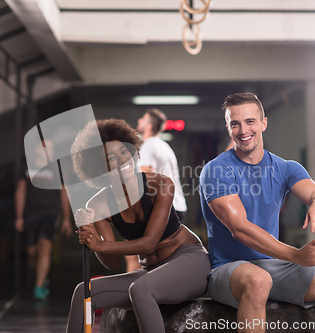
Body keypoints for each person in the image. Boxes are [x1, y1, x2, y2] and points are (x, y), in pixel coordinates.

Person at [199, 93, 315, 332]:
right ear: (228, 128)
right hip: (229, 269)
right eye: (235, 123)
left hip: (273, 267)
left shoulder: (285, 168)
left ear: (263, 123)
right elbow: (239, 229)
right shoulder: (216, 170)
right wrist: (296, 256)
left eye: (250, 121)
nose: (243, 130)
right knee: (258, 281)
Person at [66, 119, 210, 333]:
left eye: (125, 151)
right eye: (111, 157)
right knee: (83, 292)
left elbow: (149, 244)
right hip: (151, 272)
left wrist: (99, 245)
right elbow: (112, 263)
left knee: (141, 289)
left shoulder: (160, 185)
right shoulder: (98, 204)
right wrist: (91, 234)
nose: (122, 159)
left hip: (189, 261)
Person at [15, 139, 72, 300]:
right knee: (33, 253)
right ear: (37, 150)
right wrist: (19, 216)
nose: (50, 150)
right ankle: (41, 278)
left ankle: (38, 286)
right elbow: (20, 192)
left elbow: (64, 193)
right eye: (46, 147)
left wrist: (66, 218)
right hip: (30, 215)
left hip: (50, 214)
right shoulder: (26, 169)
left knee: (45, 248)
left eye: (52, 148)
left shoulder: (57, 170)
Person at [132, 109, 188, 272]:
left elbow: (146, 177)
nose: (139, 119)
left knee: (143, 258)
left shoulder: (148, 146)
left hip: (163, 209)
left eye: (142, 118)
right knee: (164, 261)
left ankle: (133, 294)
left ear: (148, 126)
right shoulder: (165, 146)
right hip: (176, 206)